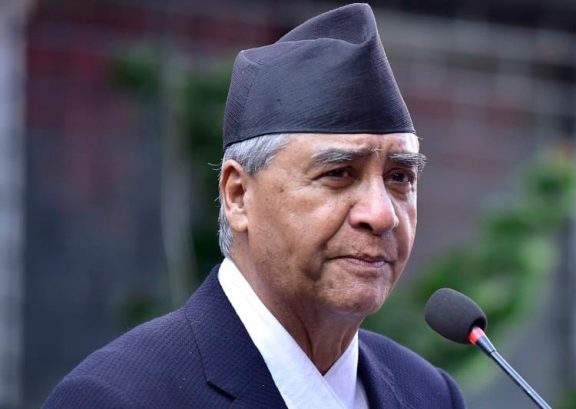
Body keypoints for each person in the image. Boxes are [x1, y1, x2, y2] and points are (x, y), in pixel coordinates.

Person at [43, 3, 466, 408]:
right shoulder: (122, 397)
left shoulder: (427, 394)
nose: (381, 214)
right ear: (238, 195)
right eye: (338, 173)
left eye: (399, 178)